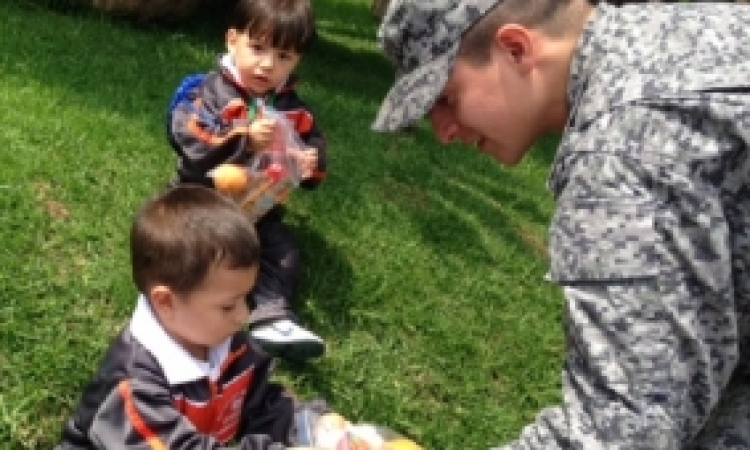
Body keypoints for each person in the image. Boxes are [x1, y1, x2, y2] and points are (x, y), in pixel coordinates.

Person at [373, 0, 750, 448]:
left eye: (446, 99)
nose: (444, 130)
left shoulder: (625, 153)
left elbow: (623, 429)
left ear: (516, 49)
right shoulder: (684, 31)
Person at [55, 185, 327, 449]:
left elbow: (259, 404)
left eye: (247, 298)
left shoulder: (228, 344)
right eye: (228, 306)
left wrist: (313, 428)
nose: (244, 315)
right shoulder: (133, 386)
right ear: (166, 303)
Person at [168, 0, 328, 360]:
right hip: (201, 199)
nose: (268, 64)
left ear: (297, 60)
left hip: (257, 210)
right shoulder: (208, 93)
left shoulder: (294, 110)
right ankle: (185, 305)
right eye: (257, 48)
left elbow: (312, 147)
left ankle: (272, 316)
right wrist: (243, 138)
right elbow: (189, 137)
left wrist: (308, 162)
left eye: (284, 55)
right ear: (232, 41)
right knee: (193, 247)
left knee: (282, 252)